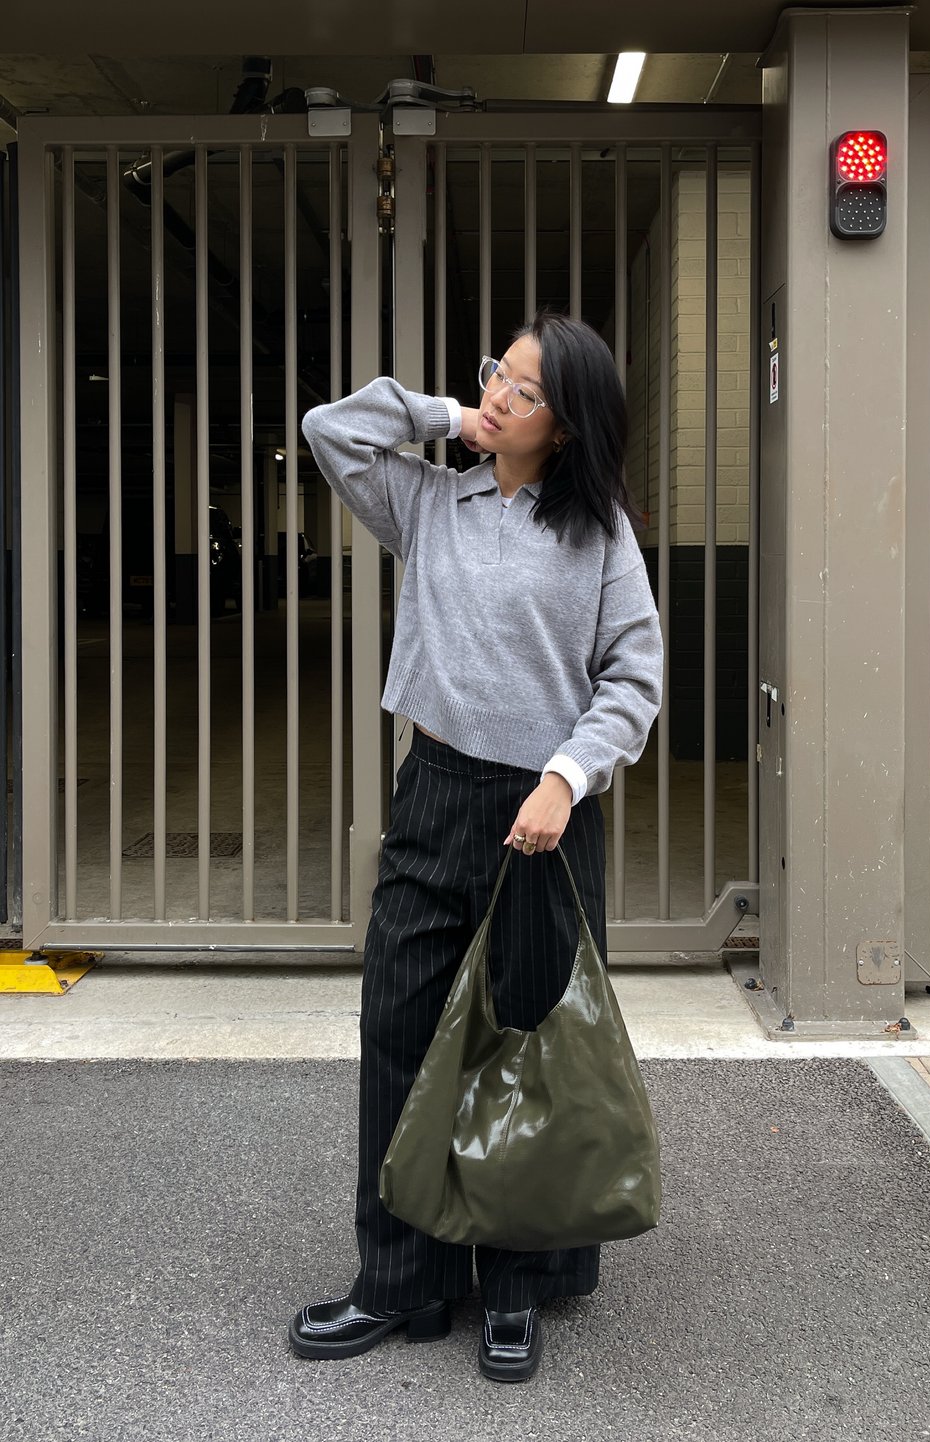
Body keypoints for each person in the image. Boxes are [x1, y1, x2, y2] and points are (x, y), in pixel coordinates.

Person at [289, 311, 663, 1382]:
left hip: (544, 818)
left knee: (527, 1048)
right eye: (498, 371)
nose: (501, 391)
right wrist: (453, 414)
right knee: (399, 1024)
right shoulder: (430, 498)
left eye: (527, 390)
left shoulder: (598, 535)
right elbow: (330, 429)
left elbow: (633, 679)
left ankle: (516, 1282)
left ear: (571, 424)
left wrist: (565, 775)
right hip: (437, 793)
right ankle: (398, 1281)